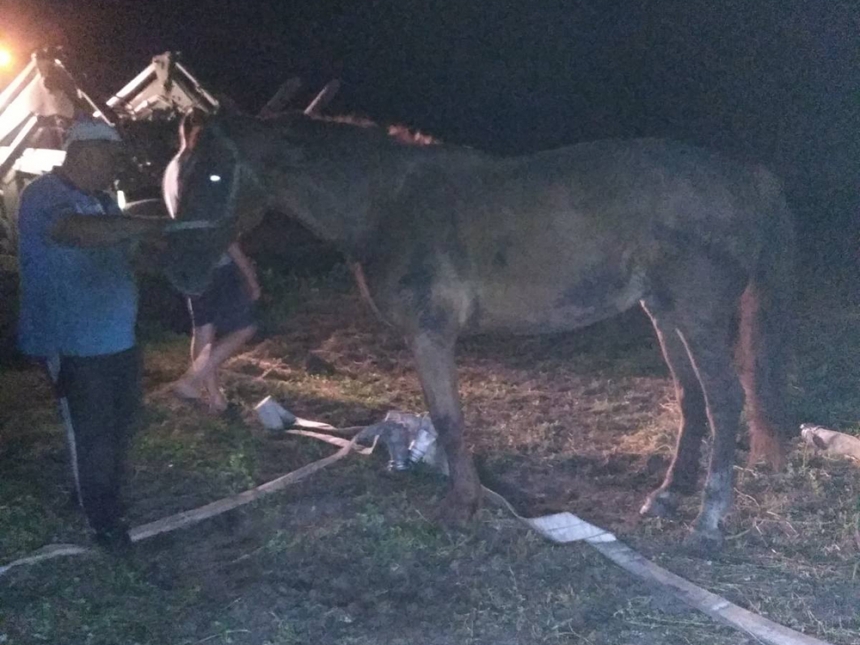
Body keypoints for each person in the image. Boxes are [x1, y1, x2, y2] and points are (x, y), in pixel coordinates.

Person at [17, 119, 163, 552]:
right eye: (110, 157)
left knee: (120, 422)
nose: (115, 167)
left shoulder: (102, 200)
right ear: (82, 152)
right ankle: (102, 520)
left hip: (117, 337)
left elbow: (122, 251)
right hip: (73, 341)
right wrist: (145, 223)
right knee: (91, 430)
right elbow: (74, 233)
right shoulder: (43, 195)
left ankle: (98, 492)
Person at [162, 109, 260, 414]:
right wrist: (249, 273)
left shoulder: (172, 168)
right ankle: (191, 381)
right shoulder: (198, 169)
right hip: (214, 262)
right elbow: (217, 226)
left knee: (203, 331)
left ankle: (215, 399)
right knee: (245, 327)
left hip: (188, 261)